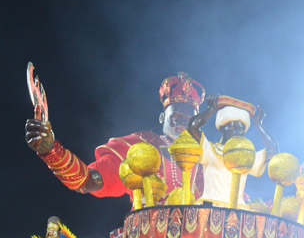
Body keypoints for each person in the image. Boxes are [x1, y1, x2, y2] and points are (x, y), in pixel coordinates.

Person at [25, 72, 206, 206]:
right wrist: (52, 152)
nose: (183, 122)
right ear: (162, 118)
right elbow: (88, 180)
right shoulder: (141, 147)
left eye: (189, 119)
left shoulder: (208, 158)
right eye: (176, 116)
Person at [186, 95, 278, 206]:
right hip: (209, 208)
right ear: (222, 129)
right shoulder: (211, 150)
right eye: (232, 128)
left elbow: (273, 150)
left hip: (237, 210)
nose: (236, 133)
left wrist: (258, 125)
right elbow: (192, 127)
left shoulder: (245, 157)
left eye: (240, 131)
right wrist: (211, 110)